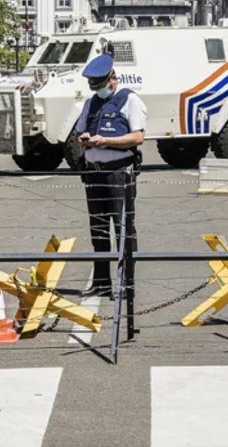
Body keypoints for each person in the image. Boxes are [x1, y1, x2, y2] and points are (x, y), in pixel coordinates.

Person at [75, 54, 147, 297]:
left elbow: (137, 137)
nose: (98, 91)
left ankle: (127, 284)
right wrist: (84, 140)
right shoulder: (90, 103)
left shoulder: (130, 100)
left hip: (119, 174)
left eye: (101, 86)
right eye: (94, 87)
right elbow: (79, 132)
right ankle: (101, 282)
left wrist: (106, 141)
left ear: (112, 79)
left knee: (123, 229)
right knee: (98, 230)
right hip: (94, 175)